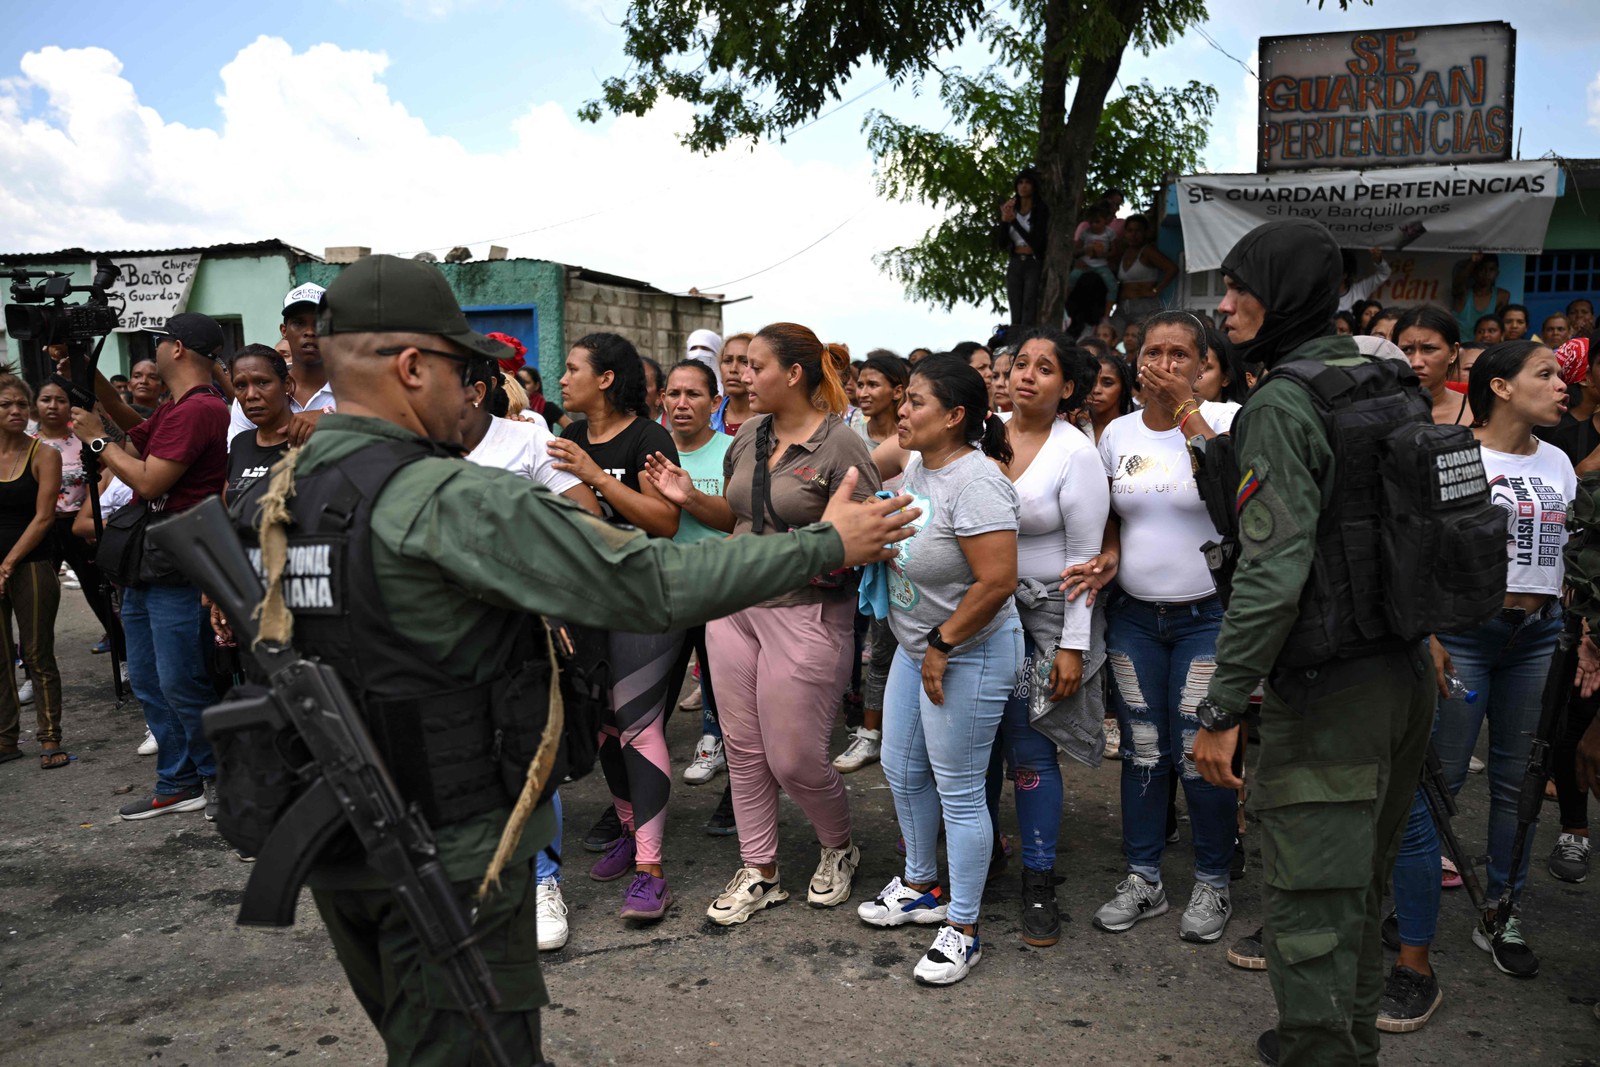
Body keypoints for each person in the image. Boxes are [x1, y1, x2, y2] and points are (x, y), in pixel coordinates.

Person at [221, 254, 916, 1065]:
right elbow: (650, 582)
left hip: (344, 836)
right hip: (450, 844)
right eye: (460, 368)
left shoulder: (291, 484)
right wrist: (830, 542)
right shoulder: (445, 498)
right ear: (413, 367)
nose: (470, 389)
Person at [1187, 220, 1436, 1066]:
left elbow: (1271, 574)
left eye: (1240, 287)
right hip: (1402, 673)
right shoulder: (1384, 374)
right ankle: (1349, 1041)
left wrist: (1223, 707)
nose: (1224, 304)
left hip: (1332, 694)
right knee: (1357, 893)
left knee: (1310, 909)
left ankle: (1323, 1052)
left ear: (1285, 292)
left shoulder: (1285, 402)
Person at [646, 323, 880, 927]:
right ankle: (761, 869)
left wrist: (831, 541)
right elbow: (736, 515)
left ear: (794, 375)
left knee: (796, 756)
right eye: (741, 365)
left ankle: (839, 845)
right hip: (734, 606)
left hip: (807, 613)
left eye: (754, 366)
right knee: (745, 752)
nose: (741, 376)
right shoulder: (748, 433)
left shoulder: (841, 446)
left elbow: (874, 535)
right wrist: (686, 497)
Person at [1378, 341, 1572, 1036]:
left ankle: (1501, 912)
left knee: (1520, 783)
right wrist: (1429, 633)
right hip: (1462, 634)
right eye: (1544, 374)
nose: (1561, 384)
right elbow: (1420, 549)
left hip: (1538, 637)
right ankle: (1411, 913)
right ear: (1500, 385)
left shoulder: (1559, 464)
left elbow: (1567, 554)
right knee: (1441, 778)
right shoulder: (1456, 455)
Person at [1061, 311, 1240, 948]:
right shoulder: (1118, 435)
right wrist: (1109, 552)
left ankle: (1214, 879)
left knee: (1201, 752)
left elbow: (1235, 498)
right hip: (1137, 617)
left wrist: (1188, 410)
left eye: (1178, 354)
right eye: (1152, 353)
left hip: (1209, 619)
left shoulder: (1228, 421)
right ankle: (1144, 878)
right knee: (1142, 748)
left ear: (1203, 363)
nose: (1162, 364)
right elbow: (1112, 513)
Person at [856, 354, 1021, 985]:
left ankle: (964, 926)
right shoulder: (922, 461)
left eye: (915, 402)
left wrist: (944, 645)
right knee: (900, 768)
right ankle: (922, 885)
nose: (902, 410)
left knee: (959, 789)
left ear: (955, 417)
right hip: (915, 645)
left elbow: (998, 581)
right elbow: (860, 475)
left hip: (966, 652)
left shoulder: (976, 483)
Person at [461, 357, 602, 953]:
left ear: (473, 390)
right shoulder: (405, 448)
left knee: (529, 758)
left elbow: (587, 520)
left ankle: (543, 882)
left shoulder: (526, 439)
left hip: (518, 628)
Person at [71, 312, 231, 819]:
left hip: (179, 565)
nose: (154, 351)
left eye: (159, 343)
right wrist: (81, 364)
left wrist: (98, 441)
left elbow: (148, 481)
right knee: (147, 677)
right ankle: (179, 779)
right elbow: (128, 427)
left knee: (182, 679)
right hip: (148, 564)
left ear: (178, 349)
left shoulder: (198, 410)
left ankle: (216, 779)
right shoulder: (174, 408)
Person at [551, 333, 685, 921]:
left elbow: (664, 522)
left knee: (637, 724)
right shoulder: (568, 435)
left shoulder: (647, 438)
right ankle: (631, 831)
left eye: (573, 368)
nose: (561, 378)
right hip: (587, 600)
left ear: (605, 379)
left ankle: (651, 871)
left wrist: (596, 477)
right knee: (602, 725)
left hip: (642, 597)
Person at [993, 330, 1107, 947]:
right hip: (979, 615)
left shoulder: (1076, 453)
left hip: (1043, 624)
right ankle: (983, 860)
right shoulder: (982, 433)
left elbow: (1087, 559)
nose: (1026, 376)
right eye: (1020, 365)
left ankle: (1039, 881)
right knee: (975, 749)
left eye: (1044, 369)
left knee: (1030, 750)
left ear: (1067, 388)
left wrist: (1072, 645)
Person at [653, 362, 736, 835]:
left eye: (694, 394)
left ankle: (736, 799)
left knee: (730, 706)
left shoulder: (731, 450)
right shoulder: (651, 447)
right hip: (664, 594)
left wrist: (687, 498)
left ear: (714, 400)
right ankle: (635, 808)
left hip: (720, 593)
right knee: (648, 707)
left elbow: (737, 521)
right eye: (674, 393)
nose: (682, 403)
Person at [835, 353, 911, 772]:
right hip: (864, 553)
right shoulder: (851, 435)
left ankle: (900, 736)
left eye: (873, 385)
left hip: (909, 558)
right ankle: (869, 733)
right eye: (859, 385)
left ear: (898, 392)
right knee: (871, 646)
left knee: (902, 649)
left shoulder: (913, 439)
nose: (863, 393)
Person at [0, 369, 64, 770]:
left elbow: (43, 519)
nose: (16, 411)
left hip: (33, 565)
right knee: (0, 657)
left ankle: (49, 736)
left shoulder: (44, 454)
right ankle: (6, 739)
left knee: (37, 654)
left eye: (22, 404)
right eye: (6, 404)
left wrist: (7, 564)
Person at [34, 379, 119, 653]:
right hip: (41, 528)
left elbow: (108, 474)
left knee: (99, 592)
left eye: (61, 400)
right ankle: (30, 663)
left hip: (81, 526)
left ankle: (122, 653)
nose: (53, 406)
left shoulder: (84, 440)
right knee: (36, 600)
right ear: (36, 405)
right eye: (46, 399)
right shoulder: (29, 445)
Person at [226, 284, 334, 450]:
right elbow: (240, 460)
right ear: (284, 330)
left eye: (320, 323)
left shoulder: (356, 388)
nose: (310, 332)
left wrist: (331, 418)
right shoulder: (252, 394)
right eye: (299, 323)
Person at [224, 345, 294, 501]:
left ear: (287, 384)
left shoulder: (306, 442)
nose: (251, 395)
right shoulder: (240, 443)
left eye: (262, 382)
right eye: (240, 385)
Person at [993, 166, 1049, 330]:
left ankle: (1026, 337)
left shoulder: (1039, 210)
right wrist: (1005, 221)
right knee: (1015, 304)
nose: (1023, 186)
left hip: (1032, 261)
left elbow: (1037, 242)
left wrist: (1014, 222)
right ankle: (1014, 338)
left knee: (1029, 305)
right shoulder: (1012, 209)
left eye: (1027, 183)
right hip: (1016, 261)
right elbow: (1002, 243)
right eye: (1020, 183)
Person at [1396, 306, 1471, 427]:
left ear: (1453, 353)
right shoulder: (1377, 412)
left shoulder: (1478, 413)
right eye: (1407, 350)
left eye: (1429, 349)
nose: (1416, 363)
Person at [1115, 214, 1176, 326]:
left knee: (1142, 340)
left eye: (1138, 231)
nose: (1133, 235)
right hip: (1122, 306)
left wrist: (1155, 290)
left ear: (1145, 233)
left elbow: (1172, 268)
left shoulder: (1148, 251)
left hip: (1144, 306)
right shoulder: (1123, 252)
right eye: (1130, 230)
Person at [1452, 253, 1510, 342]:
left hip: (1485, 348)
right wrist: (1472, 262)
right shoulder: (1463, 294)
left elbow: (1498, 325)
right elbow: (1458, 282)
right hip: (1462, 348)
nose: (1486, 273)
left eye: (1491, 269)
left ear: (1497, 273)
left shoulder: (1501, 296)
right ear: (1474, 272)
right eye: (1482, 269)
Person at [1082, 352, 1135, 445]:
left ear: (1123, 388)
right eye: (1091, 382)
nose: (1096, 390)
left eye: (1107, 383)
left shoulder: (1134, 430)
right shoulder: (1074, 424)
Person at [713, 332, 754, 434]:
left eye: (744, 361)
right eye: (727, 361)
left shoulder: (772, 421)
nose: (733, 369)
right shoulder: (707, 419)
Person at [1337, 248, 1391, 313]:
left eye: (1333, 272)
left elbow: (1385, 273)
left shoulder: (1360, 290)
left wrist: (1378, 260)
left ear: (1345, 275)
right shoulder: (1323, 296)